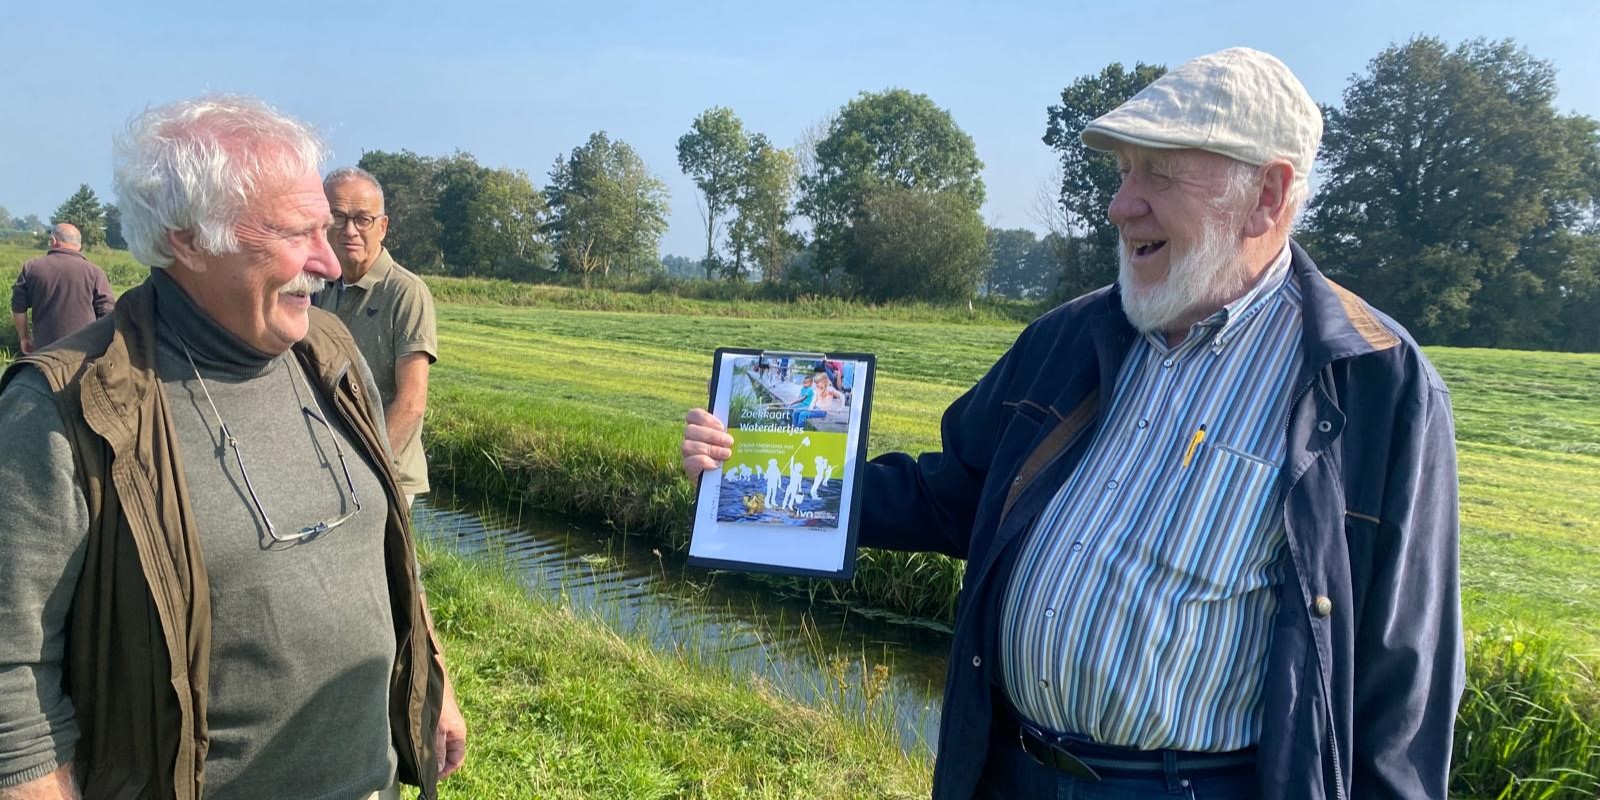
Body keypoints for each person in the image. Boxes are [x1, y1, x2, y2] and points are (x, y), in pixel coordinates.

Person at [682, 47, 1461, 799]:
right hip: (1010, 767)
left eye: (1161, 171)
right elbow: (951, 495)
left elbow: (1405, 685)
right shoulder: (1069, 337)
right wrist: (753, 473)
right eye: (1124, 171)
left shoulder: (1373, 383)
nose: (1122, 204)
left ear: (1268, 194)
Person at [0, 95, 466, 800]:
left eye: (328, 227)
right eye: (295, 232)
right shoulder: (67, 407)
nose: (329, 263)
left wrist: (434, 680)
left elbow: (383, 548)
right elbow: (13, 672)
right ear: (188, 239)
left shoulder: (329, 353)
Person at [316, 167, 438, 507]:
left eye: (362, 219)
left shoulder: (406, 292)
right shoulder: (316, 286)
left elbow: (411, 402)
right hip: (327, 465)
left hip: (383, 471)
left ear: (382, 227)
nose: (349, 230)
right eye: (338, 217)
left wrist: (369, 469)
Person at [10, 223, 115, 354]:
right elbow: (109, 312)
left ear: (53, 241)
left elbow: (18, 307)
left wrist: (24, 337)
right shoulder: (95, 272)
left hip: (44, 352)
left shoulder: (31, 268)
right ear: (79, 246)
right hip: (83, 351)